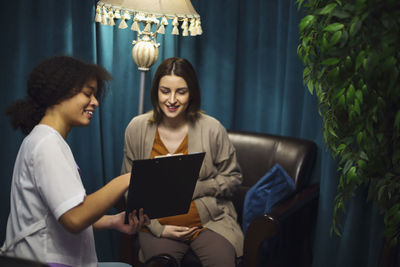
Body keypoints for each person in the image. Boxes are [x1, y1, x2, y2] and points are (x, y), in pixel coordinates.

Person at [0, 56, 149, 267]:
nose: (95, 102)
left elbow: (60, 210)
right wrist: (129, 179)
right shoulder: (46, 144)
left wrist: (113, 220)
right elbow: (74, 218)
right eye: (88, 94)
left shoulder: (46, 140)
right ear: (58, 93)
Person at [121, 57, 244, 267]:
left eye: (181, 92)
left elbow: (234, 179)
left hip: (209, 223)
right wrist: (159, 229)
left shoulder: (212, 128)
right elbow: (127, 188)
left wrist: (198, 188)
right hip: (157, 225)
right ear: (156, 92)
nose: (171, 100)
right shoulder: (137, 128)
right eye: (165, 91)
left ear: (191, 93)